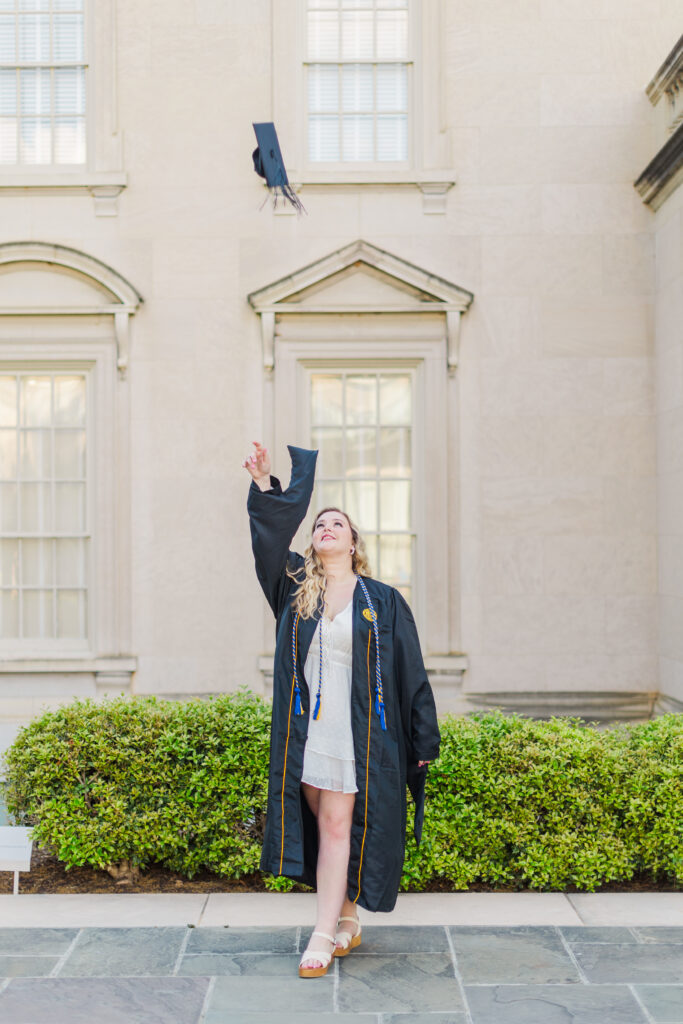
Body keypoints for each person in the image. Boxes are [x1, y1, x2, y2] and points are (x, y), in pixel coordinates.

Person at [244, 441, 440, 979]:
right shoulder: (295, 589)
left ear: (354, 542)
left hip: (359, 736)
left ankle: (322, 934)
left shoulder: (382, 601)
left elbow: (412, 673)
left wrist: (424, 741)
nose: (326, 527)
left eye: (337, 523)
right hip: (306, 731)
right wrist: (266, 485)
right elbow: (267, 541)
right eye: (320, 524)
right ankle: (348, 917)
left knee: (335, 825)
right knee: (324, 822)